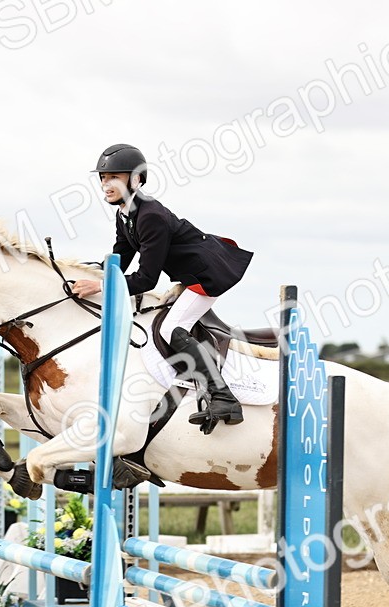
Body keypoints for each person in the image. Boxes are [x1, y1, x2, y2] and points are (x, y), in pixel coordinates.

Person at [72, 143, 253, 430]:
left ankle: (223, 397)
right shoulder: (125, 213)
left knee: (171, 329)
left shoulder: (150, 216)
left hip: (207, 275)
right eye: (103, 178)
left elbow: (147, 279)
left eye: (113, 177)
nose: (106, 184)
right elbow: (120, 257)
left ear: (135, 179)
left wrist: (99, 288)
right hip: (192, 273)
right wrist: (84, 274)